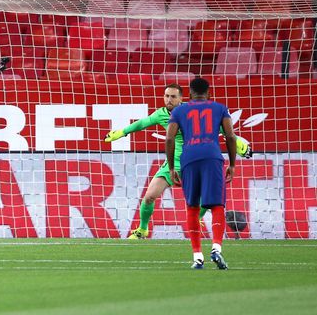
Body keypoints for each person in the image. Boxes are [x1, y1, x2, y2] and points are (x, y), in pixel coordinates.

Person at [104, 84, 251, 239]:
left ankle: (200, 220)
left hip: (194, 161)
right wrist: (122, 132)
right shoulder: (160, 114)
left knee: (204, 199)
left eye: (173, 96)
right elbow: (141, 123)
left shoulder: (192, 111)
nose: (169, 100)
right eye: (166, 96)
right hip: (174, 162)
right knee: (149, 196)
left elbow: (218, 128)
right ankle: (142, 229)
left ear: (181, 98)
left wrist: (239, 144)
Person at [166, 77, 236, 270]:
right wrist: (232, 164)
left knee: (192, 207)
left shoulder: (179, 110)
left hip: (189, 158)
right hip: (212, 157)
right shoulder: (220, 108)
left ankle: (197, 256)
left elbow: (170, 138)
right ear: (209, 93)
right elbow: (230, 135)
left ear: (188, 94)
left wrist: (172, 168)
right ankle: (216, 248)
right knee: (217, 205)